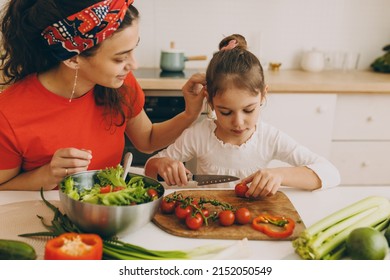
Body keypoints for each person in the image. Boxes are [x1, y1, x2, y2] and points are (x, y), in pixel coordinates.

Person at [0, 0, 205, 191]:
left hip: (107, 215)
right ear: (73, 59)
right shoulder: (8, 113)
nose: (134, 65)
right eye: (120, 58)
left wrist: (190, 114)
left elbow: (148, 139)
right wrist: (47, 175)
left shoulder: (120, 84)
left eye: (133, 50)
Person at [144, 34, 341, 198]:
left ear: (263, 95)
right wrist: (163, 165)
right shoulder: (199, 135)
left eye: (248, 110)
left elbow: (331, 173)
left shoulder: (270, 138)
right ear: (210, 102)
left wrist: (280, 175)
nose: (238, 122)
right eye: (225, 112)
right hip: (210, 219)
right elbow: (149, 170)